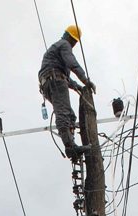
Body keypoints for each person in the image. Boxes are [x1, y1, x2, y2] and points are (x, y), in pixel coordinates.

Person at [38, 24, 96, 159]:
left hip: (49, 83)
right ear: (71, 38)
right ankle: (71, 147)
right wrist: (86, 81)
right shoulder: (64, 45)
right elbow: (72, 63)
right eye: (74, 41)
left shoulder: (56, 50)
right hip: (55, 81)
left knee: (70, 115)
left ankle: (71, 144)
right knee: (64, 113)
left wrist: (78, 87)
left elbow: (65, 78)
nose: (74, 45)